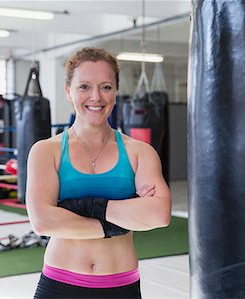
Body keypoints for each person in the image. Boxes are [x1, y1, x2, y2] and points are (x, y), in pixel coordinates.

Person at [26, 46, 171, 299]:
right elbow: (43, 221)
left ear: (115, 91)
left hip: (120, 285)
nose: (96, 97)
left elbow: (159, 214)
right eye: (84, 87)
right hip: (60, 284)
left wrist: (84, 207)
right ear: (68, 91)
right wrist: (118, 220)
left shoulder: (139, 152)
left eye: (106, 86)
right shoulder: (45, 151)